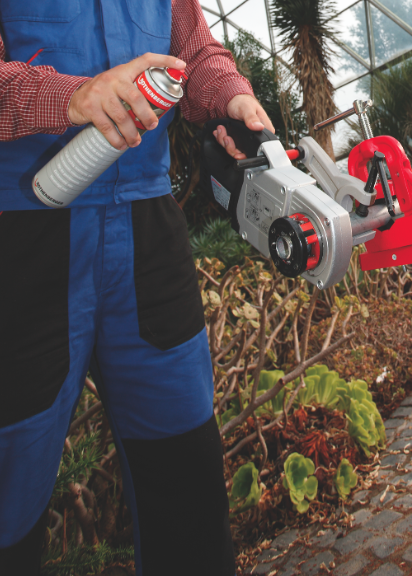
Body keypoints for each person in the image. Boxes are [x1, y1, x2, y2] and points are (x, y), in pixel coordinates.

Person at [0, 1, 274, 574]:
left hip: (148, 229)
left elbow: (194, 53)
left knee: (187, 472)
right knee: (11, 480)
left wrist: (231, 95)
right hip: (24, 231)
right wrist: (72, 97)